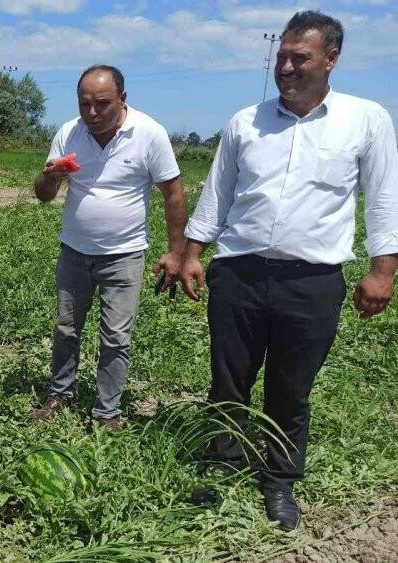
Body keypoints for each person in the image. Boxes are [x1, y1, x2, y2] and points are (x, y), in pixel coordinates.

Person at [179, 11, 397, 531]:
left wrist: (383, 268)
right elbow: (217, 194)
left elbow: (384, 198)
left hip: (312, 280)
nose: (287, 67)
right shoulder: (245, 122)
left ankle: (279, 479)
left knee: (291, 387)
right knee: (228, 380)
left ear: (331, 59)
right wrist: (191, 253)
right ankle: (224, 464)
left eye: (300, 57)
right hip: (239, 273)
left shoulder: (365, 120)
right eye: (282, 56)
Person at [32, 65, 188, 430]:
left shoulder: (149, 134)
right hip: (74, 249)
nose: (92, 113)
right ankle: (60, 394)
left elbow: (173, 193)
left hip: (125, 253)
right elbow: (43, 195)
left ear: (123, 99)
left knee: (116, 335)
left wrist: (176, 251)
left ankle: (107, 412)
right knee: (66, 327)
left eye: (102, 104)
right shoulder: (68, 133)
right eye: (84, 104)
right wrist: (49, 176)